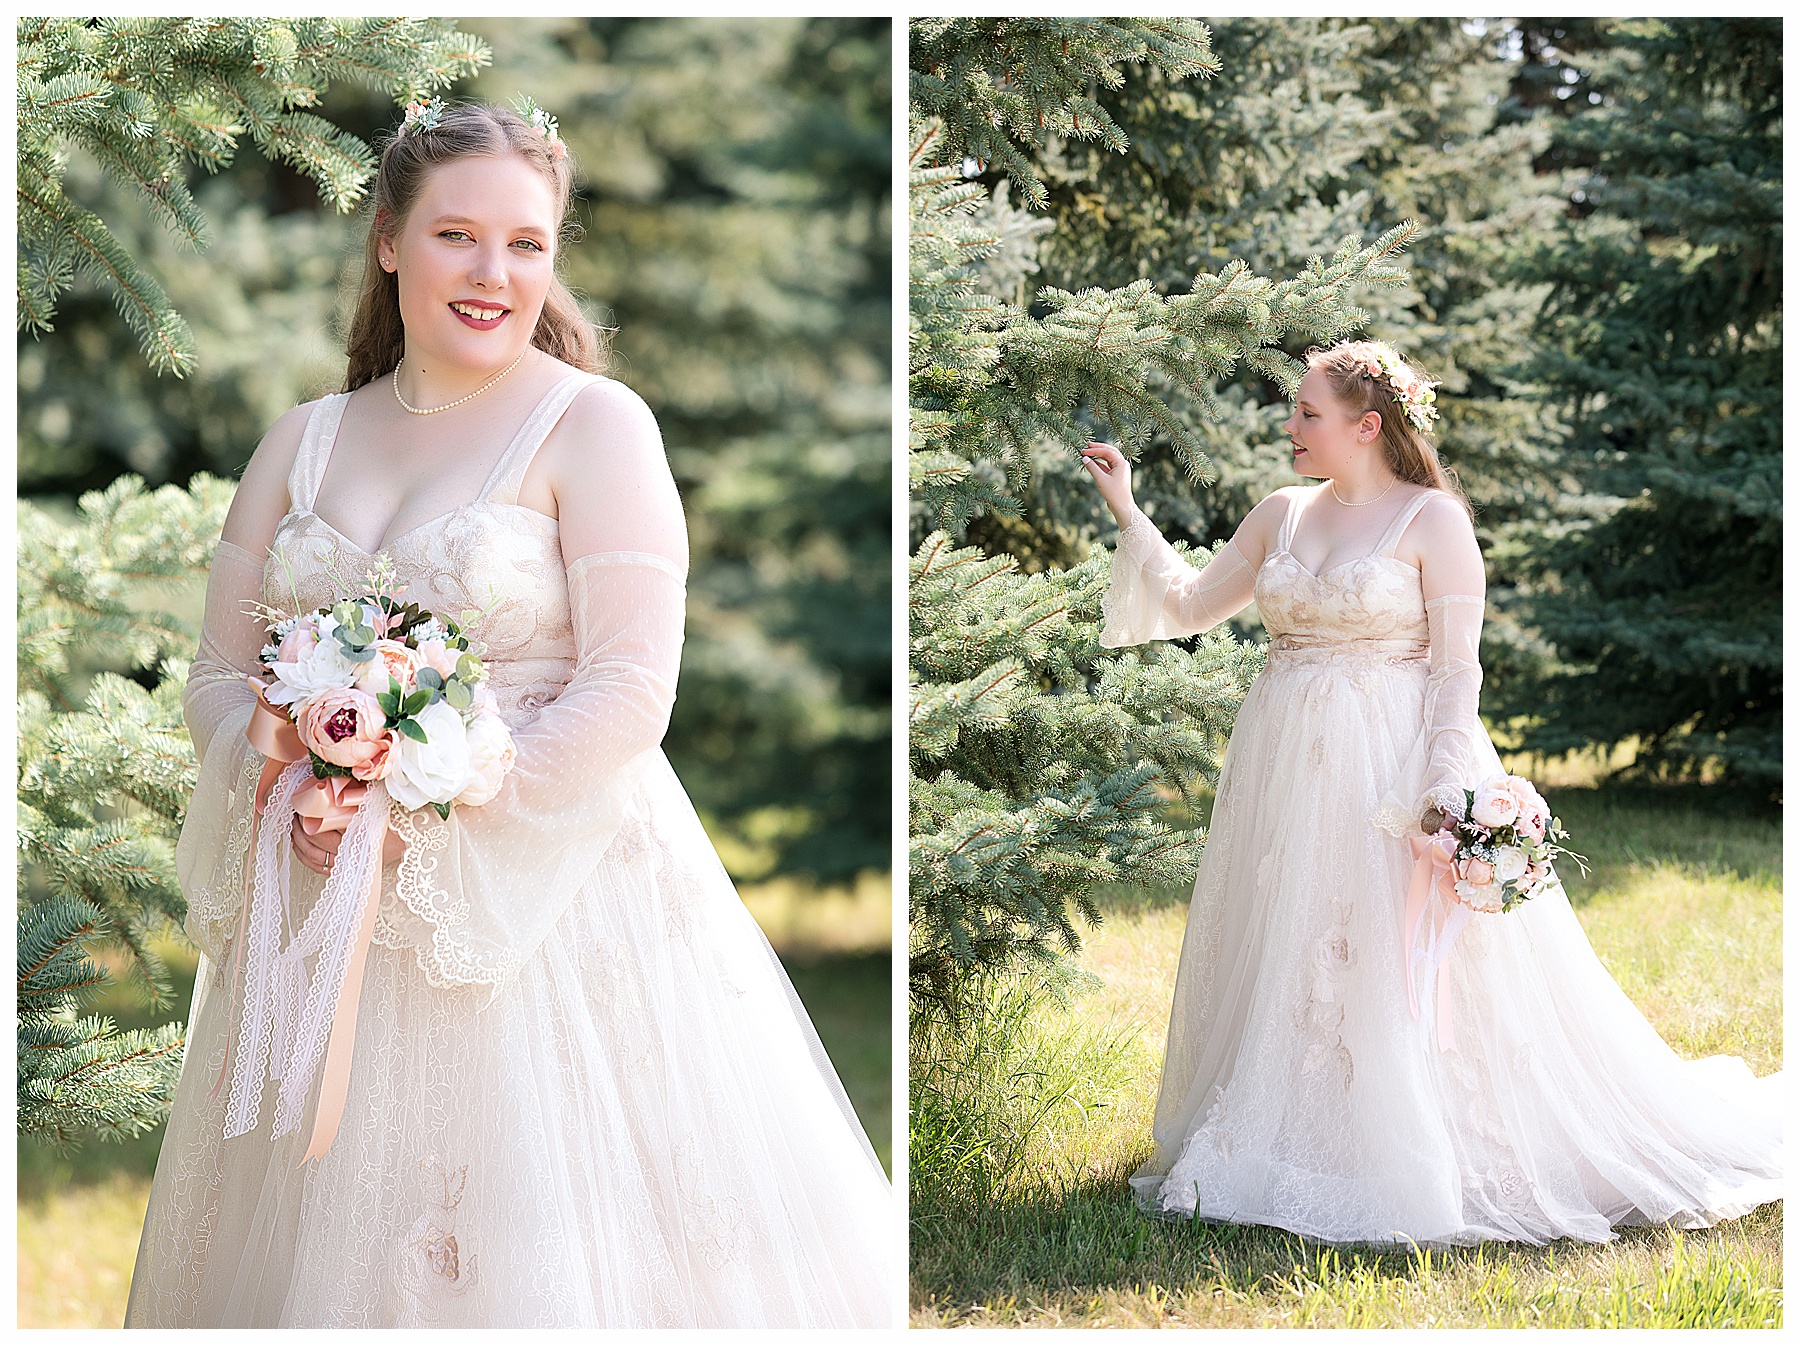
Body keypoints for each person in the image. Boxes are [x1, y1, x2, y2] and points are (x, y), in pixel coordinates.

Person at [123, 100, 894, 1328]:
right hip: (326, 898)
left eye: (527, 244)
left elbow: (631, 685)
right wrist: (291, 776)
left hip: (556, 888)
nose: (494, 274)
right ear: (389, 241)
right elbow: (219, 674)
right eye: (459, 236)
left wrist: (443, 797)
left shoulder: (594, 425)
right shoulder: (301, 443)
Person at [1081, 339, 1782, 1246]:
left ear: (1367, 427)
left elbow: (1457, 671)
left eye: (1307, 413)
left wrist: (1446, 794)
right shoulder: (1280, 515)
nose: (1289, 426)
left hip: (1395, 762)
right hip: (1285, 763)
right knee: (1297, 930)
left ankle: (1423, 1136)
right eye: (1293, 411)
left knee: (1392, 945)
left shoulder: (1432, 522)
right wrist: (1127, 508)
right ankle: (1293, 1123)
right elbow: (1183, 608)